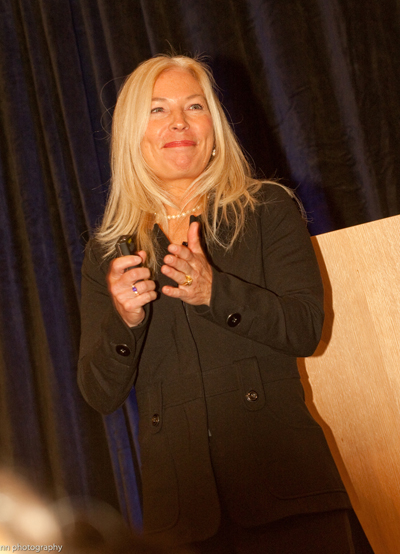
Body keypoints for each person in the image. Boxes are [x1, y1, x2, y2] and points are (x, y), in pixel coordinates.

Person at [78, 54, 355, 553]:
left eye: (194, 106)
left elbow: (305, 328)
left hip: (289, 496)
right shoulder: (109, 250)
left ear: (214, 128)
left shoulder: (266, 209)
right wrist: (125, 320)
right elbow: (99, 394)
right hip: (181, 523)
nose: (179, 122)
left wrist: (214, 293)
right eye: (158, 109)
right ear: (131, 135)